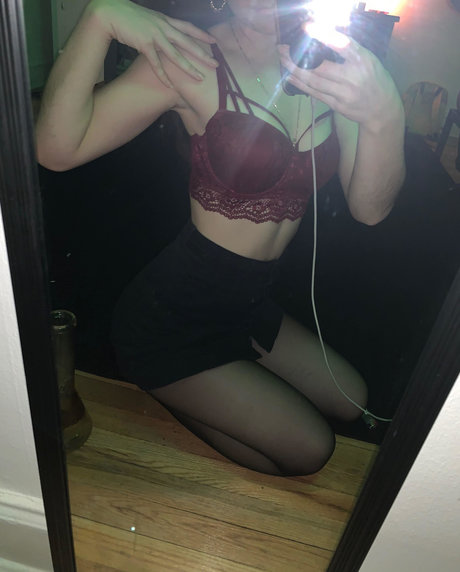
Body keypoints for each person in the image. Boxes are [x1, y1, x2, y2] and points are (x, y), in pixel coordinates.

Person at [36, 0, 406, 476]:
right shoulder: (192, 56)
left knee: (353, 400)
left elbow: (370, 210)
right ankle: (160, 377)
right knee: (311, 448)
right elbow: (56, 150)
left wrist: (384, 115)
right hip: (171, 320)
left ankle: (206, 384)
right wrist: (100, 17)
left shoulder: (337, 67)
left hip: (248, 307)